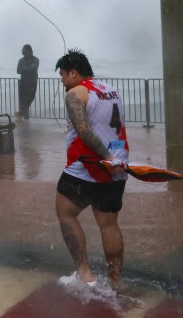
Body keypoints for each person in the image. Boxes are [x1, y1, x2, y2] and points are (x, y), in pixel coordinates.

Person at [54, 48, 129, 289]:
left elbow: (84, 130)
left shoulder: (76, 93)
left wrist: (105, 156)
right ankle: (116, 281)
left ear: (74, 72)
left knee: (66, 212)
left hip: (87, 166)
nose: (63, 82)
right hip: (118, 166)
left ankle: (85, 272)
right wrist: (113, 159)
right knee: (109, 224)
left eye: (63, 76)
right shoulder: (110, 89)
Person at [16, 44, 40, 119]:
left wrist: (24, 68)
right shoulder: (21, 60)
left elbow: (34, 69)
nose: (21, 51)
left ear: (27, 50)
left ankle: (20, 114)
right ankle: (24, 117)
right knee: (22, 100)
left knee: (30, 98)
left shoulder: (36, 59)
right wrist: (29, 68)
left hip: (32, 82)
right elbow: (18, 71)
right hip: (23, 82)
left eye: (23, 49)